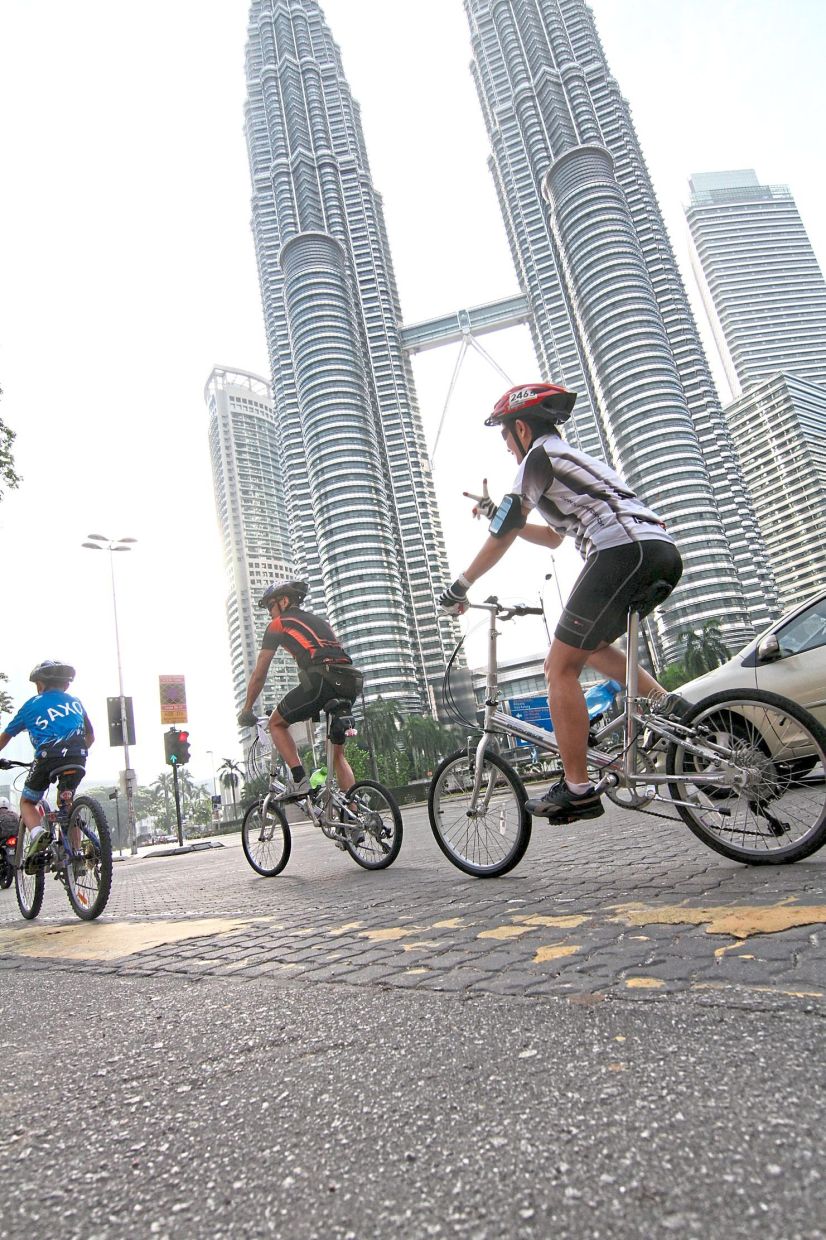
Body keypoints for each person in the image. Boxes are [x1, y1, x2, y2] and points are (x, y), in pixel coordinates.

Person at [439, 383, 684, 824]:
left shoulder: (538, 457)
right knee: (587, 648)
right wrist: (497, 507)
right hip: (658, 551)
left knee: (558, 667)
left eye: (507, 442)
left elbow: (503, 532)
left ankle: (578, 788)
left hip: (620, 551)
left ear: (519, 429)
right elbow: (550, 535)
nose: (510, 453)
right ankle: (673, 709)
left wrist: (461, 585)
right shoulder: (566, 461)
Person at [237, 579, 363, 800]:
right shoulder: (321, 622)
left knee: (276, 722)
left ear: (284, 601)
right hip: (351, 681)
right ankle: (354, 818)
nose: (269, 613)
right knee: (338, 755)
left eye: (270, 607)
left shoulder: (278, 624)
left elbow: (259, 674)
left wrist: (247, 709)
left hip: (322, 680)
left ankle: (299, 781)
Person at [0, 661, 94, 859]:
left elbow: (6, 736)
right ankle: (75, 855)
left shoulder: (31, 706)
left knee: (27, 801)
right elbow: (91, 737)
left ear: (40, 685)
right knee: (67, 803)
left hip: (47, 758)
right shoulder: (76, 702)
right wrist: (73, 752)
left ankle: (37, 833)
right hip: (78, 757)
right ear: (66, 685)